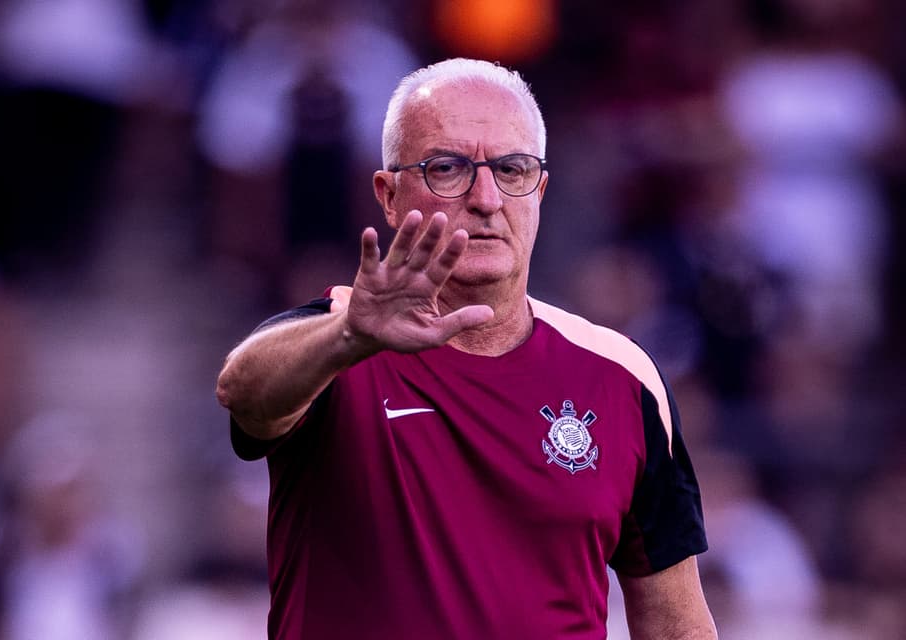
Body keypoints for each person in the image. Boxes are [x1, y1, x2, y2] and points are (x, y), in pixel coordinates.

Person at [216, 58, 717, 640]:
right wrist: (349, 335)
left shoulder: (622, 375)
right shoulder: (333, 342)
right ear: (389, 194)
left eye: (511, 168)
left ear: (541, 191)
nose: (486, 197)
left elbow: (676, 623)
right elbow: (244, 395)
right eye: (448, 168)